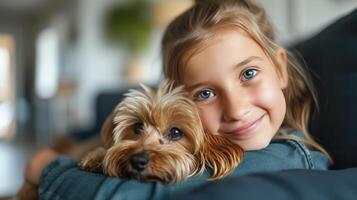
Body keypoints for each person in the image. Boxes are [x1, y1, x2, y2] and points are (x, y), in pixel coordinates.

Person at [25, 1, 331, 199]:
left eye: (248, 73)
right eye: (205, 93)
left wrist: (48, 170)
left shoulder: (287, 158)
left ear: (279, 67)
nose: (236, 110)